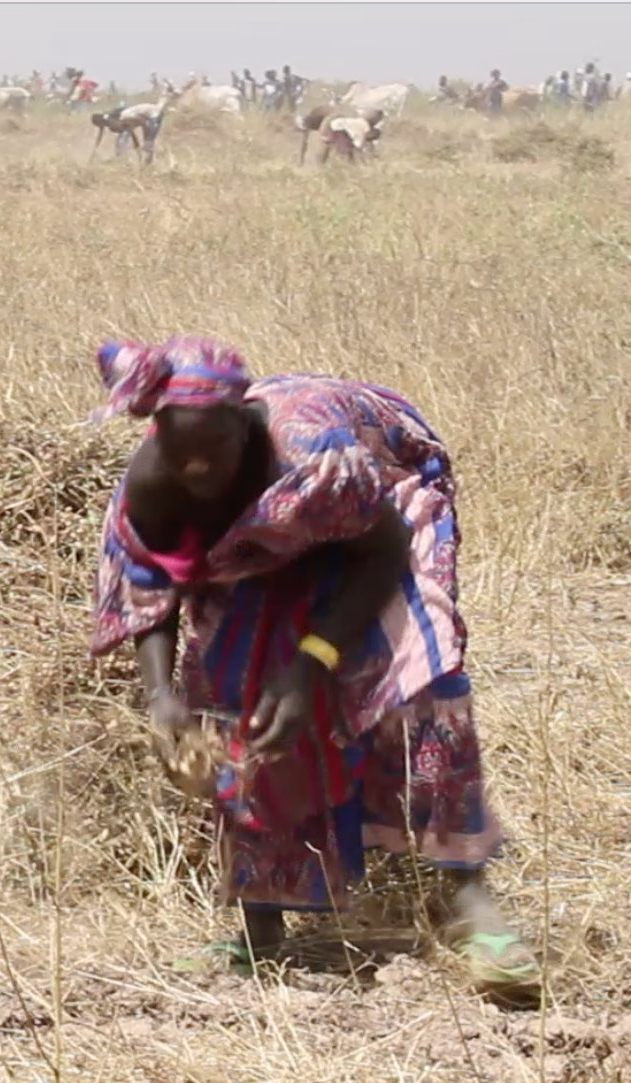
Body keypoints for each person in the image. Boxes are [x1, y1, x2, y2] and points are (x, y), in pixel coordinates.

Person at [85, 336, 541, 1002]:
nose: (199, 468)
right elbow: (144, 590)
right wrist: (160, 697)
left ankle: (475, 908)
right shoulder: (151, 485)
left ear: (245, 422)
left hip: (377, 517)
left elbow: (383, 550)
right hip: (264, 546)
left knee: (416, 677)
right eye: (182, 452)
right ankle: (262, 928)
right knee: (237, 697)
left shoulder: (311, 454)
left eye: (215, 449)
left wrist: (312, 662)